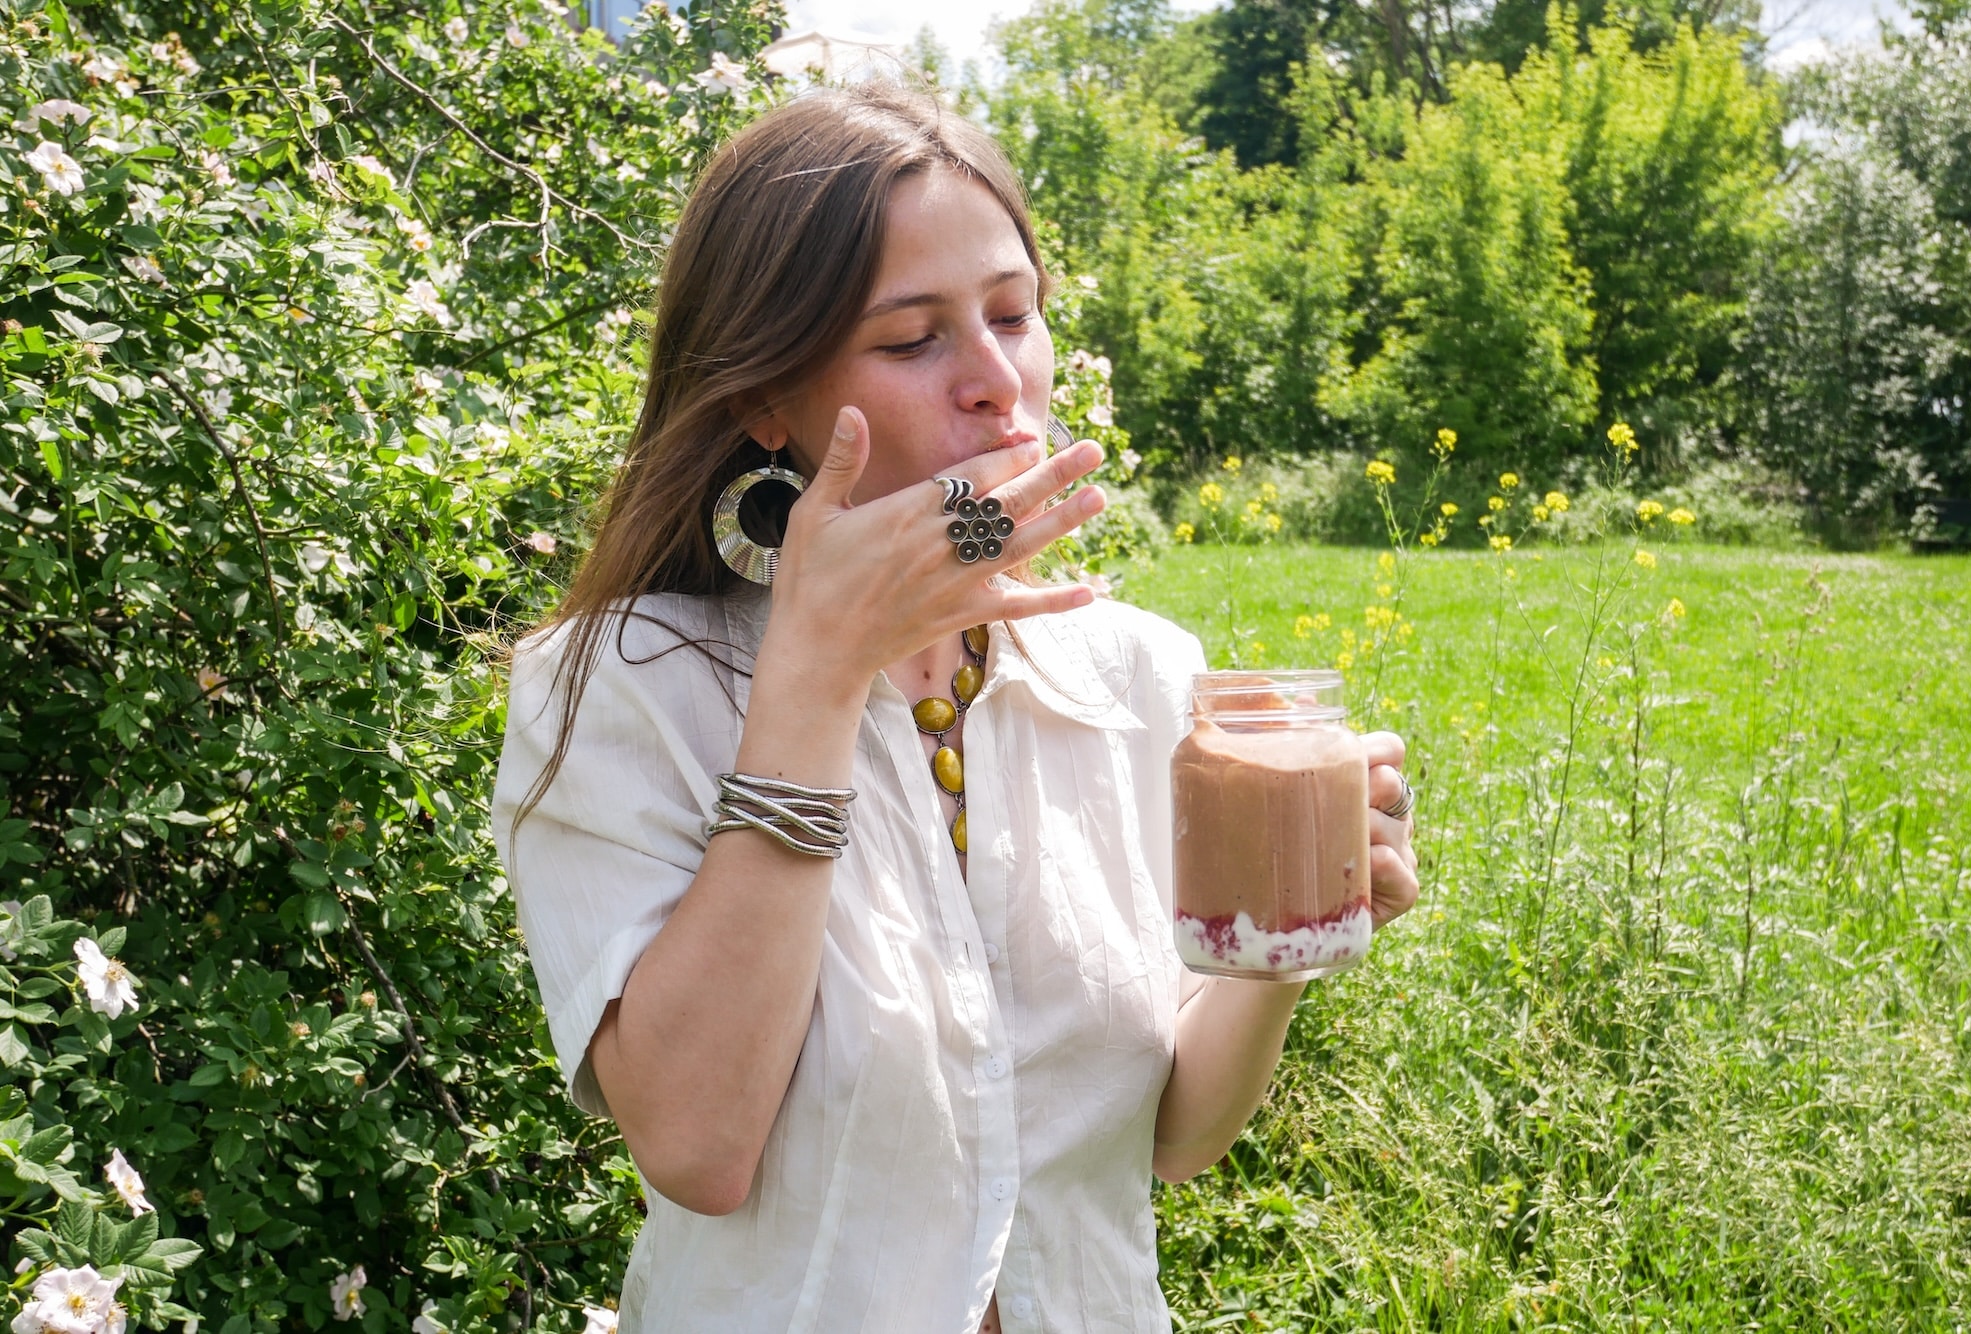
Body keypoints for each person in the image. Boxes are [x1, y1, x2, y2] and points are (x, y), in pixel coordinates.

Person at [491, 83, 1420, 1333]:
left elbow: (1168, 1135)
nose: (995, 380)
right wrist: (818, 675)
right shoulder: (619, 685)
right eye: (911, 338)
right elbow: (697, 1146)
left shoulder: (1137, 674)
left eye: (1012, 315)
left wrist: (1287, 932)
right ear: (768, 399)